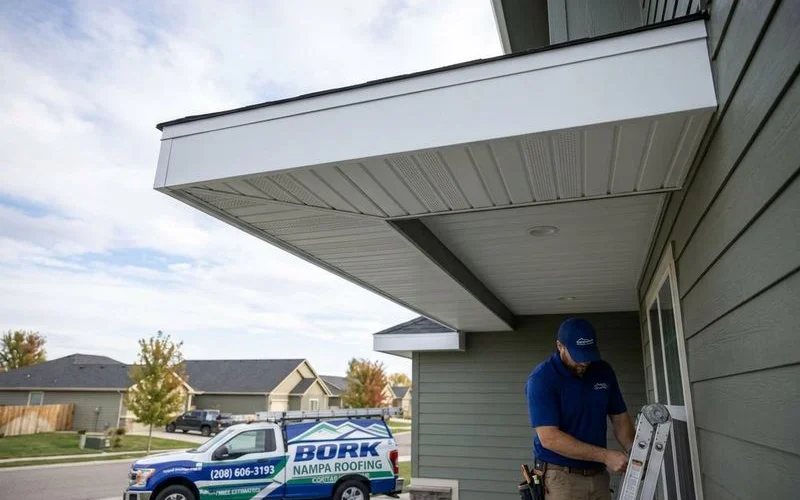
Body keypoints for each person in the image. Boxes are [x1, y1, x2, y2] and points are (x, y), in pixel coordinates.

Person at [525, 318, 635, 500]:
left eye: (588, 355)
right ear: (560, 346)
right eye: (577, 355)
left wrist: (634, 451)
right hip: (561, 478)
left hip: (598, 475)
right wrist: (606, 456)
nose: (584, 362)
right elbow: (550, 438)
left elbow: (620, 419)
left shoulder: (603, 371)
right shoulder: (542, 379)